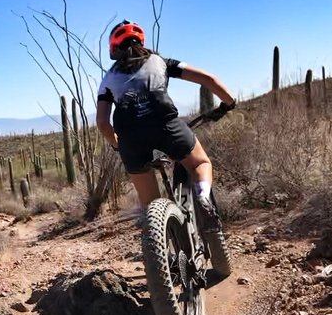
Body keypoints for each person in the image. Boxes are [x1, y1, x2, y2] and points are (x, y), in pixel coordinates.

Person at [96, 20, 236, 232]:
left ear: (114, 49)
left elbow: (102, 123)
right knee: (199, 164)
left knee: (151, 206)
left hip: (130, 139)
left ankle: (164, 248)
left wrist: (116, 144)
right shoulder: (160, 61)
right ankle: (203, 196)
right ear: (141, 41)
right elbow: (208, 78)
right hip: (166, 126)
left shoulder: (107, 79)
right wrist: (229, 102)